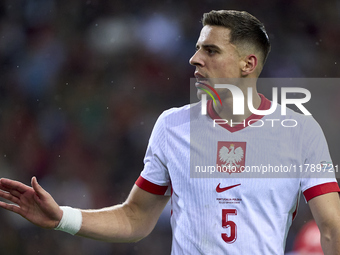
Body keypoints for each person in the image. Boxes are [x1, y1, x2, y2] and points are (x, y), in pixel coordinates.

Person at [1, 10, 340, 254]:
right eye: (196, 48)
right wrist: (63, 218)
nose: (194, 59)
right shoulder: (173, 125)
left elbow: (331, 229)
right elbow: (136, 217)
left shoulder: (300, 132)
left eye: (210, 50)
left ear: (247, 64)